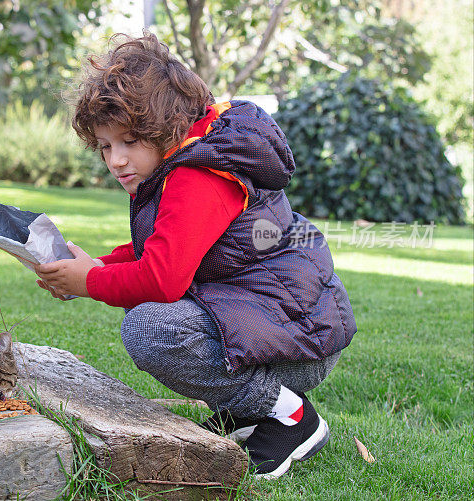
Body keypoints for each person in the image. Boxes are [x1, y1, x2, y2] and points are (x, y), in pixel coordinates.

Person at [34, 32, 356, 479]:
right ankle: (247, 413)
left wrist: (88, 283)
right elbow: (165, 248)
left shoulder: (198, 176)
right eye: (106, 146)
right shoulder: (194, 152)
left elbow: (162, 279)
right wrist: (98, 266)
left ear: (165, 126)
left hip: (299, 346)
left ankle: (291, 416)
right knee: (158, 320)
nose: (117, 160)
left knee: (150, 330)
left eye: (129, 141)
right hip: (281, 329)